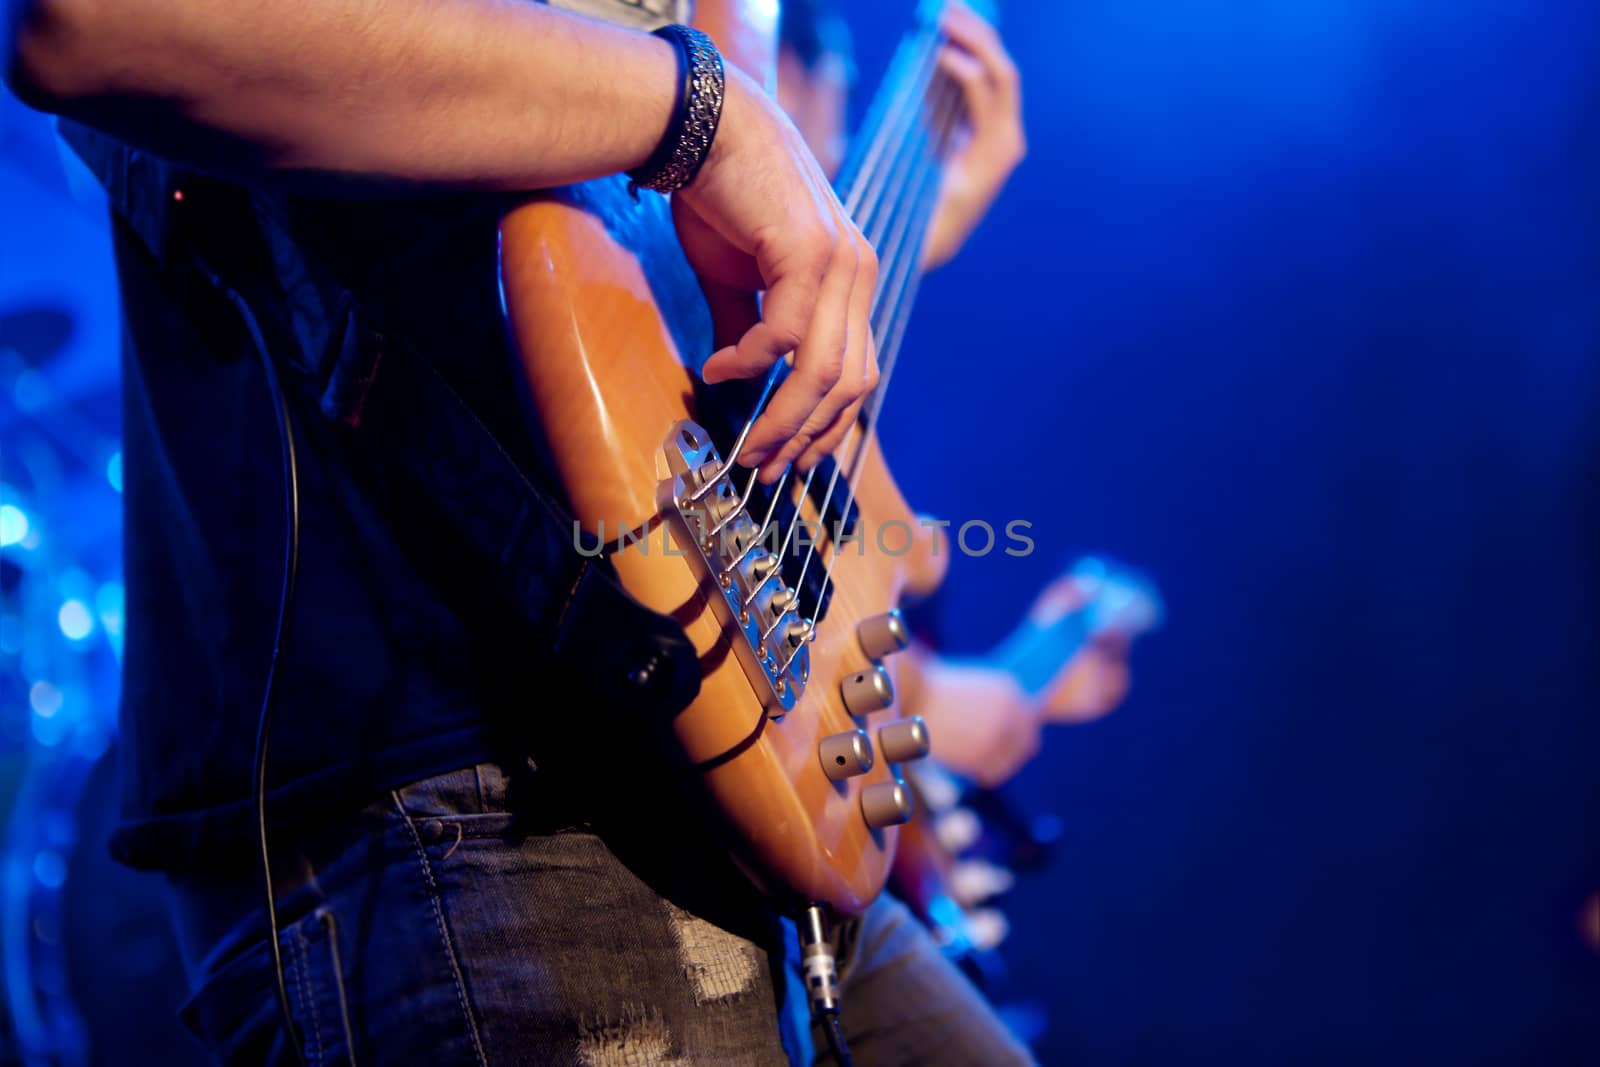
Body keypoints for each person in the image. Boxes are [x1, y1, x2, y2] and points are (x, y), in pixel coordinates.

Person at [0, 2, 1064, 1065]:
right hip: (466, 797)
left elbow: (653, 261)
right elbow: (100, 22)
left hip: (703, 750)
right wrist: (707, 111)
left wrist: (853, 250)